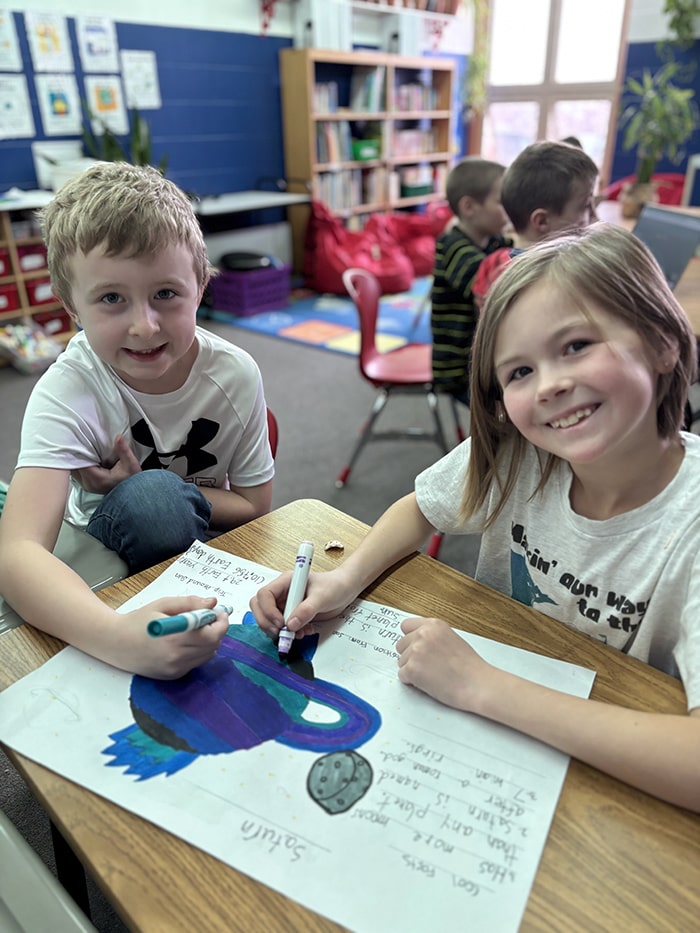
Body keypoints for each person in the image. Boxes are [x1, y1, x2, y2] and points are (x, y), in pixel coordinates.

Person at [251, 223, 700, 811]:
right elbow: (420, 508)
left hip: (600, 775)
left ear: (664, 342)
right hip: (482, 742)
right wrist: (343, 579)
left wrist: (482, 686)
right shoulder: (520, 451)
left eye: (576, 346)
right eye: (519, 372)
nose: (549, 387)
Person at [0, 162, 274, 678]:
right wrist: (115, 637)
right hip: (102, 552)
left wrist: (152, 481)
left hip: (202, 542)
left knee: (158, 497)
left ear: (201, 286)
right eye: (111, 299)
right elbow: (16, 552)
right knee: (153, 503)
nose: (144, 326)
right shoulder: (68, 388)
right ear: (71, 308)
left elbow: (257, 506)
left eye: (166, 294)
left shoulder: (235, 374)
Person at [473, 140, 599, 306]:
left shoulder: (493, 263)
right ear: (542, 221)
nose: (595, 218)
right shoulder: (556, 283)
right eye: (585, 206)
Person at [430, 157, 512, 405]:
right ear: (469, 207)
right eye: (502, 202)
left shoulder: (495, 241)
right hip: (460, 369)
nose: (510, 209)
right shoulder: (453, 247)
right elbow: (498, 287)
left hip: (481, 360)